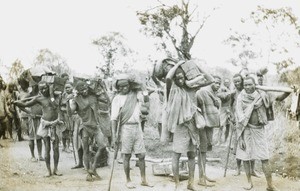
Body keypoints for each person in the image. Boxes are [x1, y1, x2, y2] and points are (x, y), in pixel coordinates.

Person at [164, 60, 214, 190]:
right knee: (176, 154)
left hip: (193, 124)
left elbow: (210, 79)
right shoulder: (173, 89)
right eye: (178, 78)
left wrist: (197, 66)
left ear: (186, 77)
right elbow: (168, 77)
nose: (180, 80)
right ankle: (177, 183)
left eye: (182, 77)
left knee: (192, 154)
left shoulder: (192, 87)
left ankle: (190, 183)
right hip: (180, 126)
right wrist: (177, 65)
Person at [235, 76, 279, 191]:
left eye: (250, 84)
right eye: (245, 85)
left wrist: (291, 92)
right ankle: (249, 182)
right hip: (246, 130)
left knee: (265, 157)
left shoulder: (262, 95)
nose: (248, 87)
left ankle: (270, 185)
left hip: (259, 130)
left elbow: (279, 97)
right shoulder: (241, 97)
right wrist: (240, 138)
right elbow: (239, 118)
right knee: (245, 157)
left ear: (255, 85)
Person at [111, 74, 152, 189]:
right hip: (125, 128)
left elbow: (146, 99)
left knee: (142, 154)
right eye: (121, 87)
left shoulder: (135, 95)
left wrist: (144, 90)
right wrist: (114, 135)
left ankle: (143, 179)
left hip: (137, 127)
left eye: (126, 86)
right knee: (126, 155)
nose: (124, 88)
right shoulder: (117, 99)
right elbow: (113, 119)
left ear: (130, 86)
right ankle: (128, 180)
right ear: (118, 88)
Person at [14, 81, 63, 177]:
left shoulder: (56, 96)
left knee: (56, 148)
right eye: (41, 89)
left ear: (48, 87)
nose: (44, 90)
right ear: (39, 90)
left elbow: (54, 105)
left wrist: (52, 93)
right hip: (45, 124)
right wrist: (17, 103)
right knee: (47, 148)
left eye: (45, 88)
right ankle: (48, 170)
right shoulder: (38, 98)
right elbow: (25, 105)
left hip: (55, 124)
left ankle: (56, 169)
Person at [69, 81, 107, 181]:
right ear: (79, 92)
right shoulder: (76, 100)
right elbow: (71, 112)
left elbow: (107, 101)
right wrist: (69, 101)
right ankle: (88, 174)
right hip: (84, 126)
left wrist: (103, 89)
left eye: (86, 89)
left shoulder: (94, 97)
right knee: (86, 150)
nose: (85, 91)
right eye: (82, 90)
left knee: (103, 146)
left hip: (96, 126)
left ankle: (93, 168)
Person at [196, 75, 221, 187]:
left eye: (219, 83)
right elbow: (195, 107)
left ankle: (203, 174)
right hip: (202, 125)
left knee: (204, 151)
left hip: (209, 124)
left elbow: (216, 108)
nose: (218, 85)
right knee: (201, 151)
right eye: (215, 82)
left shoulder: (214, 94)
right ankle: (201, 178)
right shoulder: (202, 92)